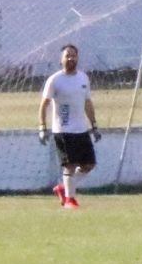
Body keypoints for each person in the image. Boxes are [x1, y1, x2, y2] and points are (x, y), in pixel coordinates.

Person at [37, 44, 101, 208]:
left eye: (73, 55)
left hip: (81, 129)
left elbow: (87, 102)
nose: (71, 58)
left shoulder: (83, 78)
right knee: (70, 165)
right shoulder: (55, 80)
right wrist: (42, 128)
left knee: (88, 165)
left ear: (77, 58)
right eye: (67, 55)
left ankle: (63, 188)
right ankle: (69, 200)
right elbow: (44, 104)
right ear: (61, 59)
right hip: (63, 129)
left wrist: (94, 126)